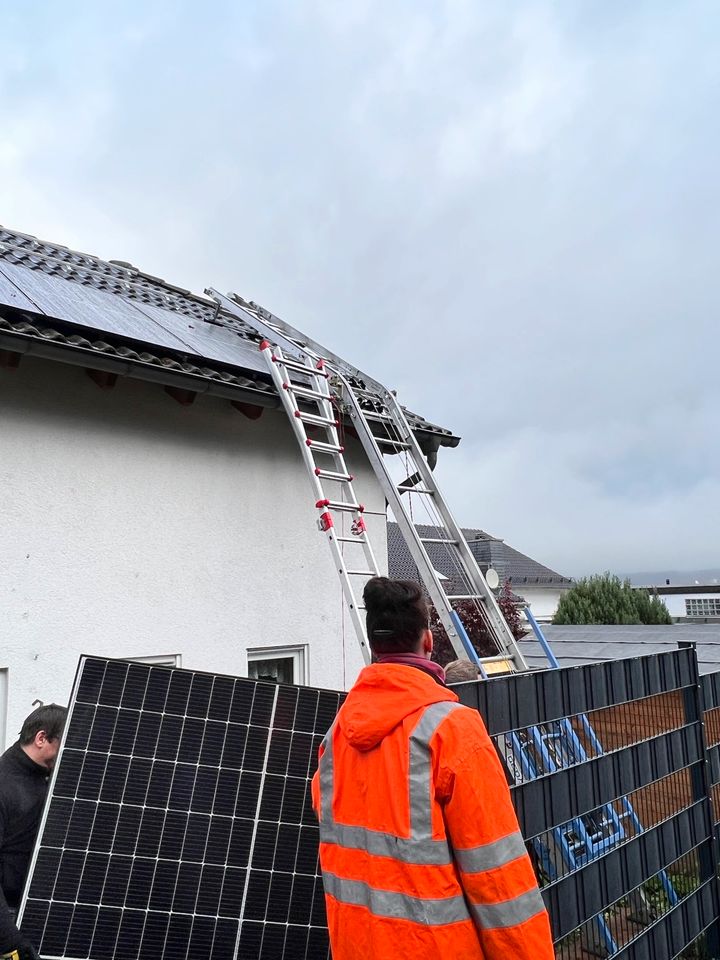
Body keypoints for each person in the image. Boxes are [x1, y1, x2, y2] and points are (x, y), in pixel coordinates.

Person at [311, 577, 554, 959]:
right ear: (428, 641)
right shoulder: (452, 731)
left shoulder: (336, 737)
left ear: (374, 646)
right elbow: (498, 880)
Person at [0, 704, 68, 960]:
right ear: (41, 738)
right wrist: (11, 942)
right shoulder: (4, 784)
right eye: (65, 742)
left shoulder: (44, 780)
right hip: (9, 926)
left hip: (37, 919)